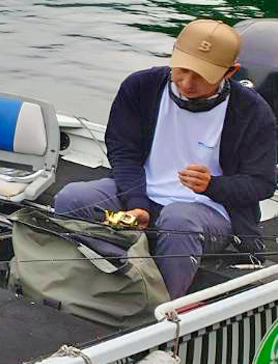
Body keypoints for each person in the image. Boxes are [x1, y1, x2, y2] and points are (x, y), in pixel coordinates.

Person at [53, 20, 276, 298]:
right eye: (182, 69)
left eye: (202, 76)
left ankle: (161, 308)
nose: (187, 82)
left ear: (230, 72)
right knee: (72, 199)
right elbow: (124, 153)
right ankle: (108, 280)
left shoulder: (253, 112)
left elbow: (262, 184)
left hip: (209, 213)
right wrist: (138, 205)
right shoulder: (141, 87)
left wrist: (212, 185)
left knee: (178, 221)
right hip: (141, 194)